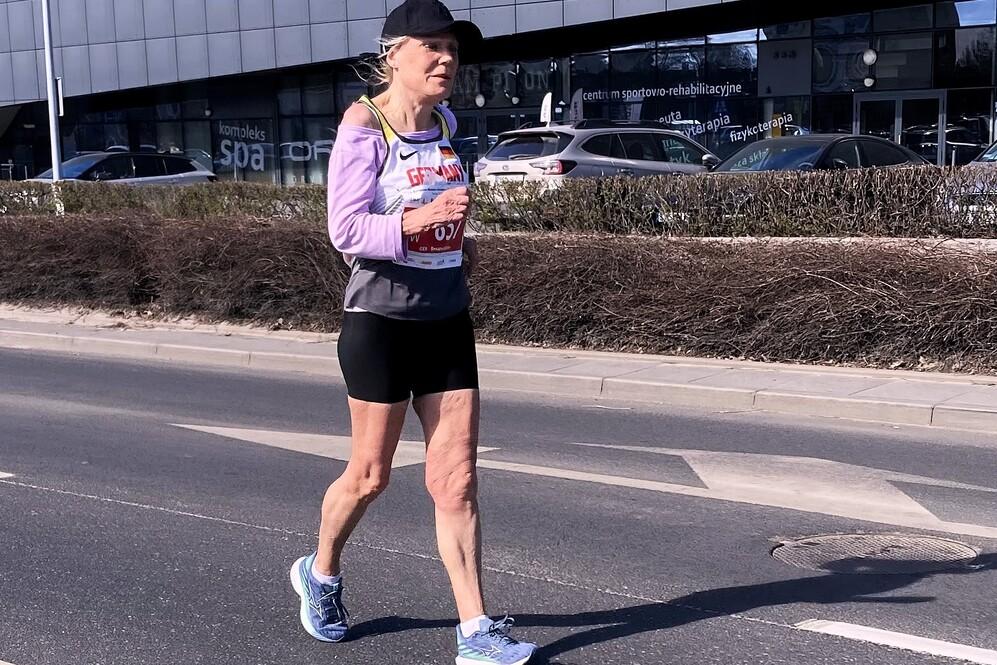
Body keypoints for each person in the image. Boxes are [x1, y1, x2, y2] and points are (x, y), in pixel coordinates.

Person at [288, 1, 536, 664]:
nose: (445, 59)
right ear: (393, 53)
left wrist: (462, 242)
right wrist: (421, 221)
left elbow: (442, 210)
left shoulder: (448, 123)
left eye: (452, 48)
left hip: (446, 318)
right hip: (381, 323)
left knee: (455, 480)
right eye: (430, 46)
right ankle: (321, 572)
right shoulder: (363, 125)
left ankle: (476, 630)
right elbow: (345, 233)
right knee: (370, 475)